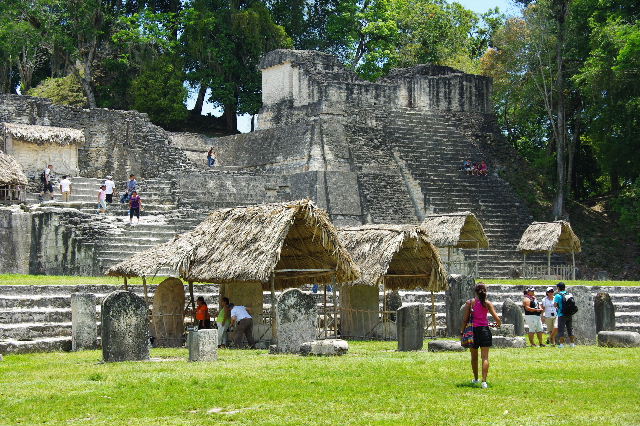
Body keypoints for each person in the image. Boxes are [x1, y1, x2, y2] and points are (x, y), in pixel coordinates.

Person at [461, 283, 502, 389]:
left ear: (475, 291)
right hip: (484, 331)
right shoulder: (487, 303)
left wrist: (462, 331)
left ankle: (475, 379)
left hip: (472, 332)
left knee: (474, 357)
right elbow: (497, 319)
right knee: (485, 357)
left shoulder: (469, 303)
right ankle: (484, 381)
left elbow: (465, 319)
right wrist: (497, 324)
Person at [554, 282, 576, 348]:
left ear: (558, 288)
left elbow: (555, 305)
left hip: (561, 314)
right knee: (570, 329)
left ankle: (561, 344)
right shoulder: (570, 294)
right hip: (569, 314)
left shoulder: (558, 295)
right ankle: (572, 343)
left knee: (561, 330)